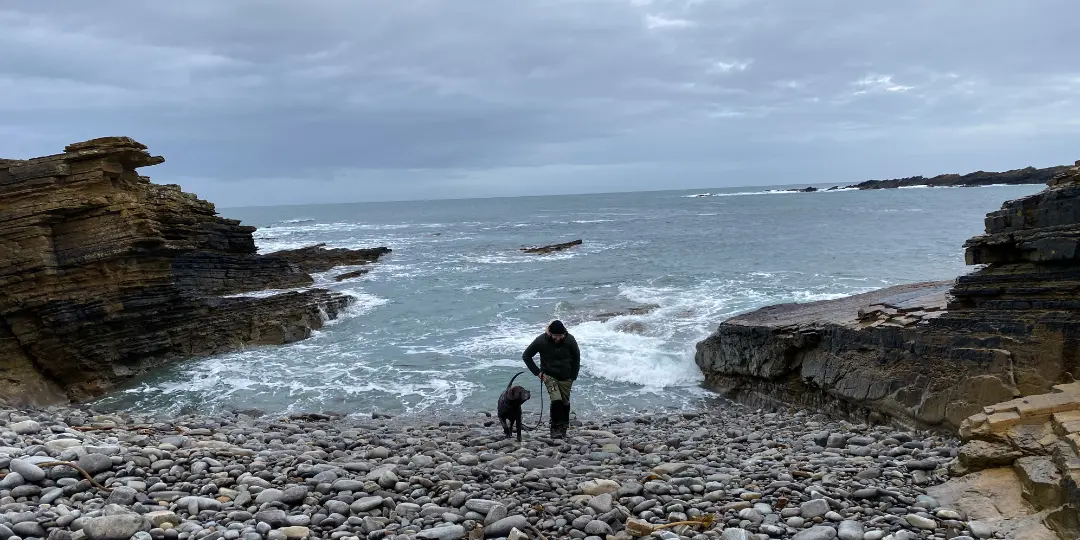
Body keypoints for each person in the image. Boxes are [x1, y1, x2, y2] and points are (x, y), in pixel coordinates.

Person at [522, 319, 580, 439]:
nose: (558, 338)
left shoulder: (570, 340)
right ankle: (554, 427)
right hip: (549, 376)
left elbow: (576, 359)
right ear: (550, 333)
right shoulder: (541, 341)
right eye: (555, 336)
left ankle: (563, 426)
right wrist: (537, 373)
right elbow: (526, 356)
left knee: (565, 402)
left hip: (566, 377)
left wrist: (573, 377)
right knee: (556, 400)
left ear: (564, 333)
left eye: (560, 336)